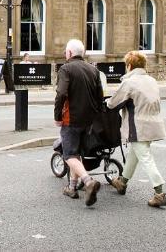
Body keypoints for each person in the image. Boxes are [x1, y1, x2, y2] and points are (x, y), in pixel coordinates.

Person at [106, 51, 166, 208]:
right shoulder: (152, 80)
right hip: (153, 124)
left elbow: (113, 104)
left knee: (145, 158)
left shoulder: (130, 82)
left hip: (138, 126)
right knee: (134, 154)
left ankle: (159, 193)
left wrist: (106, 103)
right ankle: (122, 182)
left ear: (129, 66)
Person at [54, 38, 104, 207]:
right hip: (88, 120)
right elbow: (99, 97)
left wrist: (57, 116)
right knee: (78, 154)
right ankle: (72, 187)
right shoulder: (93, 70)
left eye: (65, 52)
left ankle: (88, 181)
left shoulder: (66, 69)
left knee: (69, 155)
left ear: (69, 53)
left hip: (71, 118)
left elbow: (61, 94)